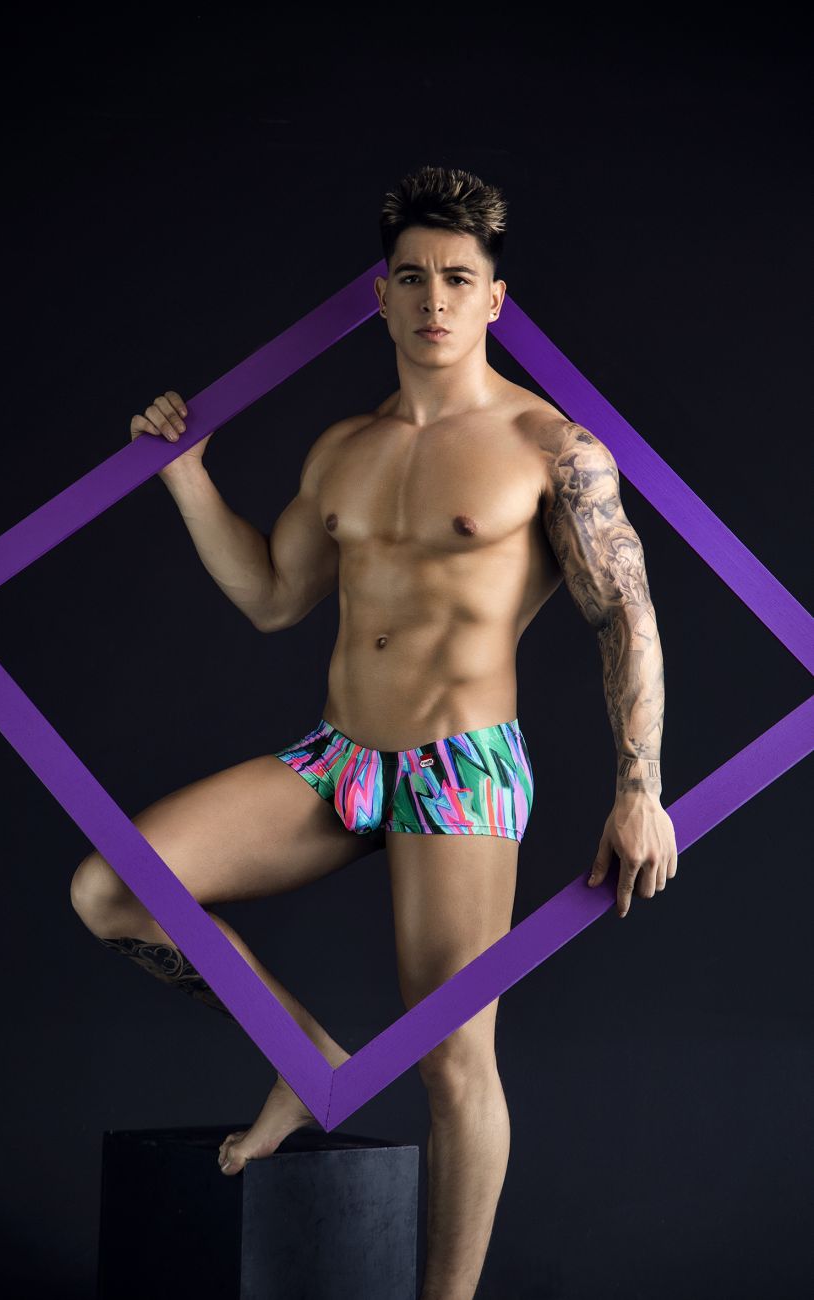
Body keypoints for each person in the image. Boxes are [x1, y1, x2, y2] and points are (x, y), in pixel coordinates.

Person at [70, 163, 678, 1300]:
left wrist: (639, 786)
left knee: (455, 1059)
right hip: (339, 756)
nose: (434, 299)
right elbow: (271, 597)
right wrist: (186, 477)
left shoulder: (553, 447)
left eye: (458, 278)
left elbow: (627, 616)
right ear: (382, 295)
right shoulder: (343, 447)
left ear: (494, 298)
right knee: (112, 889)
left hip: (461, 768)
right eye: (412, 277)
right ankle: (301, 1055)